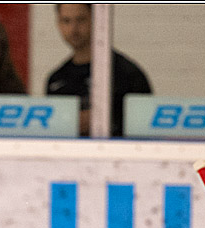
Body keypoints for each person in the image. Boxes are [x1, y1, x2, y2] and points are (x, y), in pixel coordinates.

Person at [45, 3, 152, 137]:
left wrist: (105, 120)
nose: (73, 29)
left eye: (81, 19)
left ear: (97, 19)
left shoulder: (127, 74)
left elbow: (144, 128)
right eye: (66, 21)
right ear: (58, 23)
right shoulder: (56, 79)